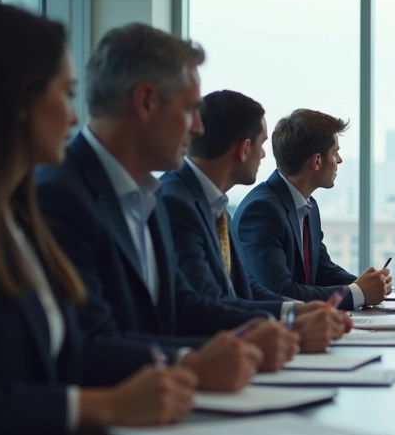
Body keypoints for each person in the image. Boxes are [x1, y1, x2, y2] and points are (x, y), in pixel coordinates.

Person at [0, 4, 197, 435]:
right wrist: (101, 406)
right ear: (20, 100)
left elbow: (73, 354)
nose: (75, 118)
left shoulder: (16, 218)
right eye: (67, 94)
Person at [37, 23, 293, 387]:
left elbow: (184, 307)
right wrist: (192, 360)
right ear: (145, 102)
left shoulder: (150, 195)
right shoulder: (59, 195)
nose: (198, 129)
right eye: (190, 110)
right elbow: (89, 343)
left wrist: (271, 327)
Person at [158, 90, 352, 353]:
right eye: (261, 145)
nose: (263, 155)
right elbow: (206, 304)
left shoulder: (216, 207)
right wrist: (292, 319)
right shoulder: (175, 202)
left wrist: (298, 310)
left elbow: (243, 290)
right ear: (244, 148)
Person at [234, 109, 391, 309]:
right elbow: (280, 292)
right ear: (317, 161)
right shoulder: (261, 210)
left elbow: (322, 271)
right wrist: (359, 292)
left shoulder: (308, 205)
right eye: (335, 153)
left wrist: (371, 285)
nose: (339, 161)